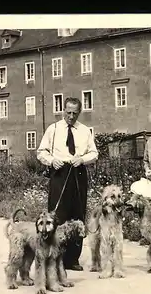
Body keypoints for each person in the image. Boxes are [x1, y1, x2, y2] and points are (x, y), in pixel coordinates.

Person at [37, 97, 98, 271]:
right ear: (63, 110)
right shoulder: (53, 129)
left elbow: (94, 153)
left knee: (77, 215)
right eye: (68, 112)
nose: (71, 117)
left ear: (80, 112)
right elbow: (41, 152)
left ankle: (73, 259)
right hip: (60, 172)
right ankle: (56, 257)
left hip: (78, 172)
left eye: (75, 113)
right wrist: (51, 161)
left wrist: (83, 159)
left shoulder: (85, 130)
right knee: (58, 215)